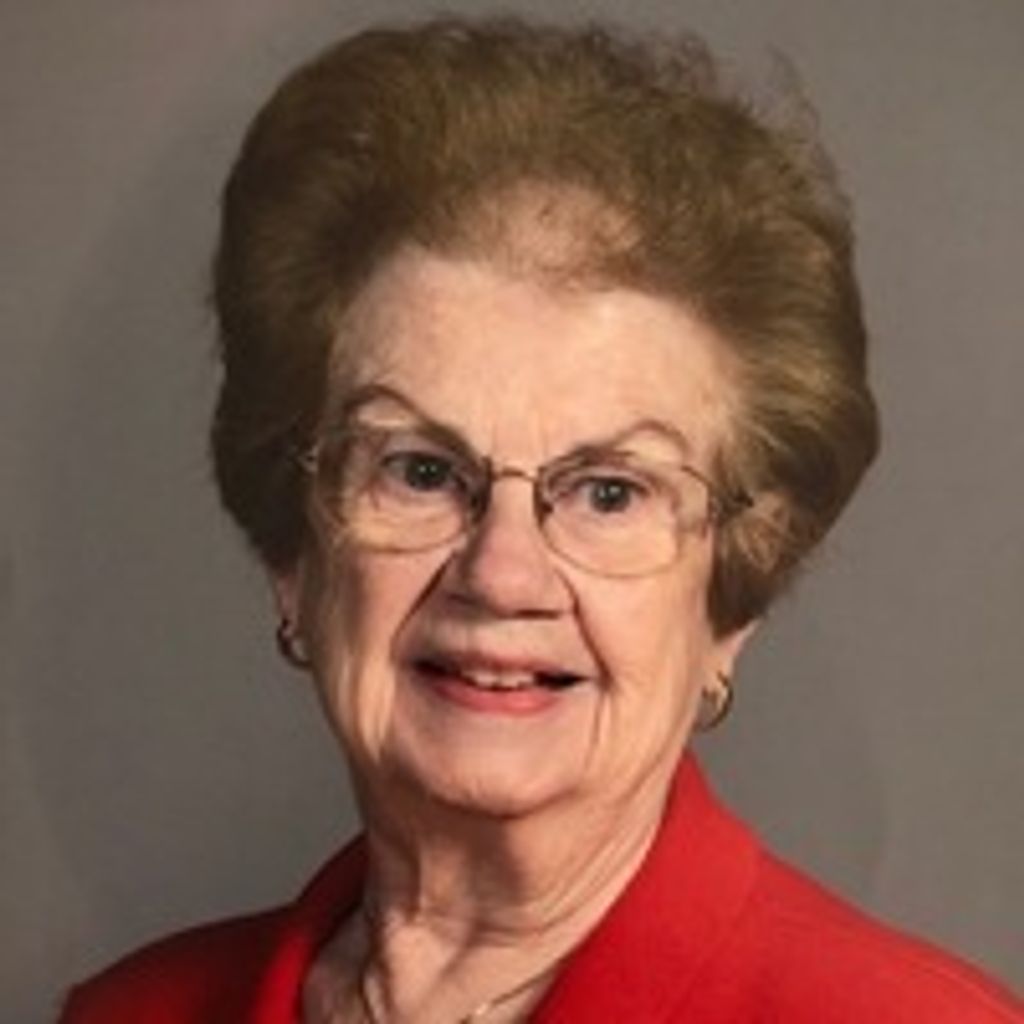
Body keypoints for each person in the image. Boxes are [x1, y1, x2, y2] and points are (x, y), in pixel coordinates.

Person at [61, 16, 1022, 1024]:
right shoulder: (131, 1013)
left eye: (610, 491)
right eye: (421, 471)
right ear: (294, 557)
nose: (502, 574)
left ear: (730, 599)